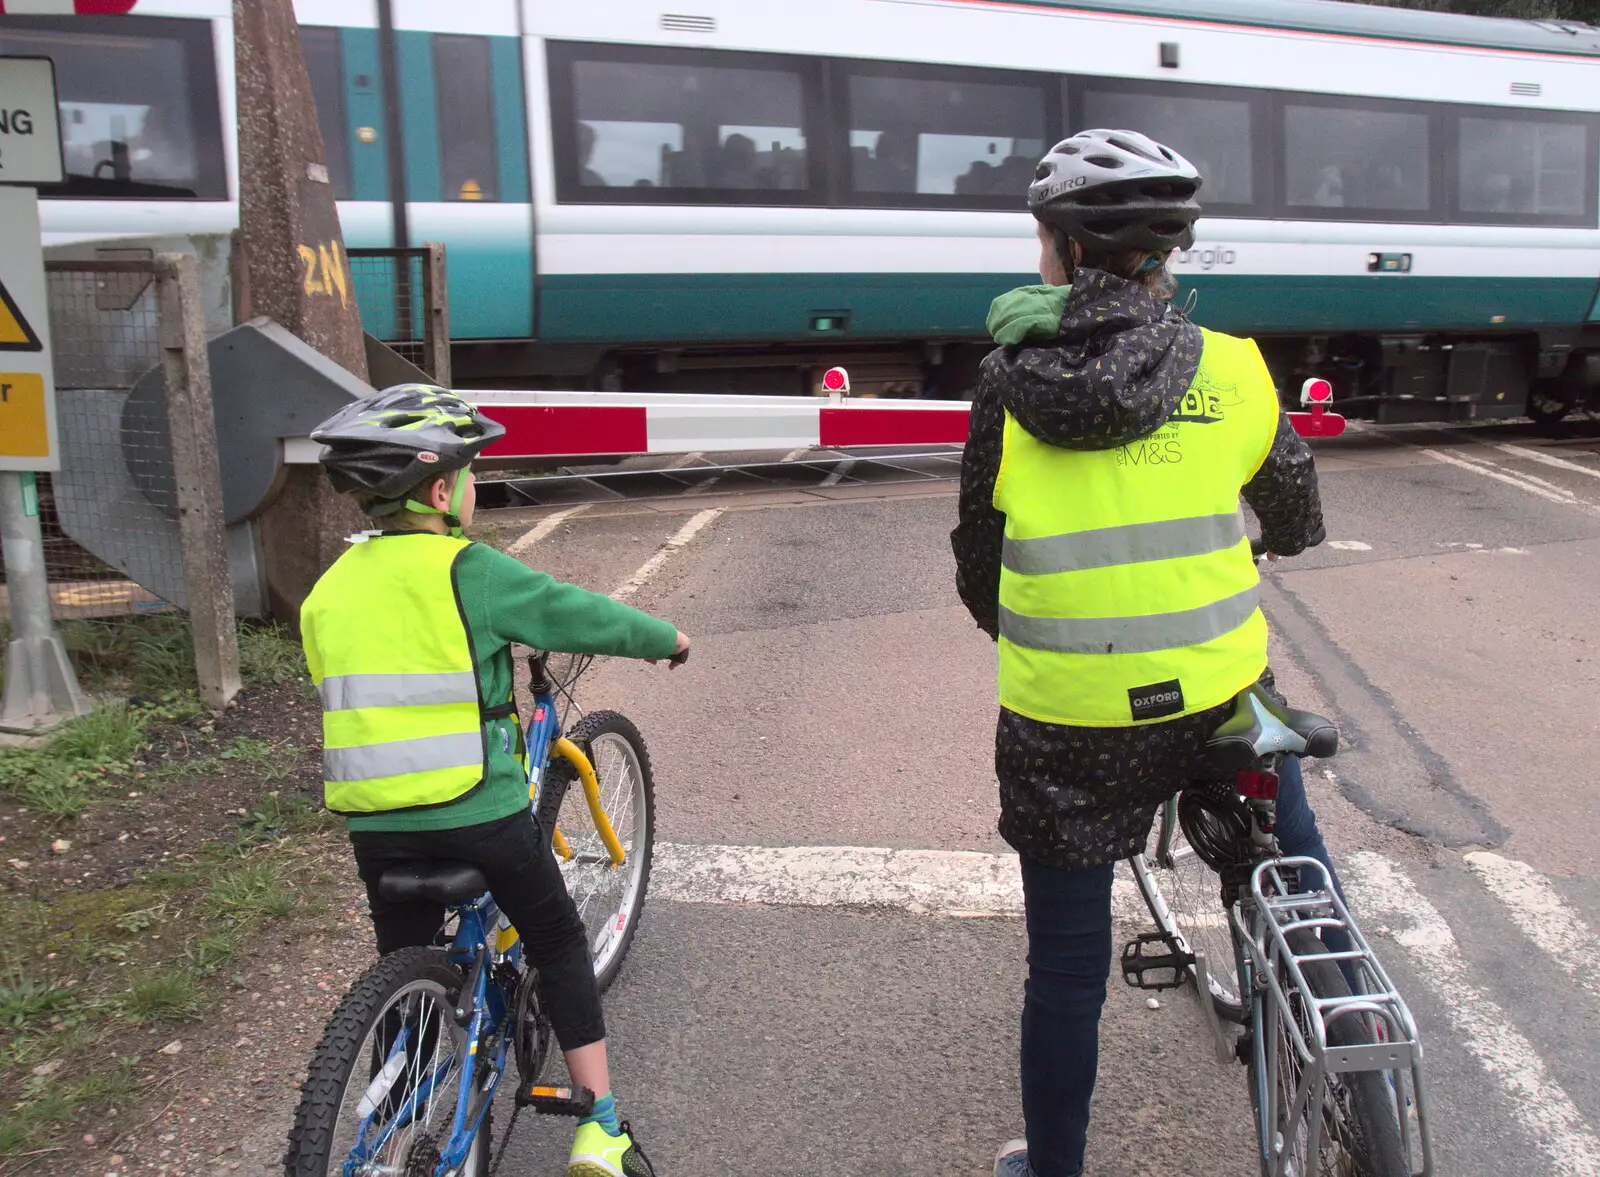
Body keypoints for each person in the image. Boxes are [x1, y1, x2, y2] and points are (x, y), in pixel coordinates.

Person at [949, 130, 1345, 1177]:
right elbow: (1296, 517)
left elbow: (978, 562)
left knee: (1067, 971)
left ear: (1063, 250)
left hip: (1068, 719)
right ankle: (1338, 1038)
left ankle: (1056, 1165)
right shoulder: (1234, 369)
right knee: (1298, 871)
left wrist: (1025, 623)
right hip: (1219, 695)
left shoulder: (1005, 382)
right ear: (1172, 254)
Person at [300, 384, 689, 1177]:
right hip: (477, 813)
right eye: (472, 471)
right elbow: (574, 611)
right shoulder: (468, 570)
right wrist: (664, 638)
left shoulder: (329, 588)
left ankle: (402, 1099)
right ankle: (602, 1127)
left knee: (402, 949)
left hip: (375, 825)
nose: (475, 484)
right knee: (557, 939)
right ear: (441, 491)